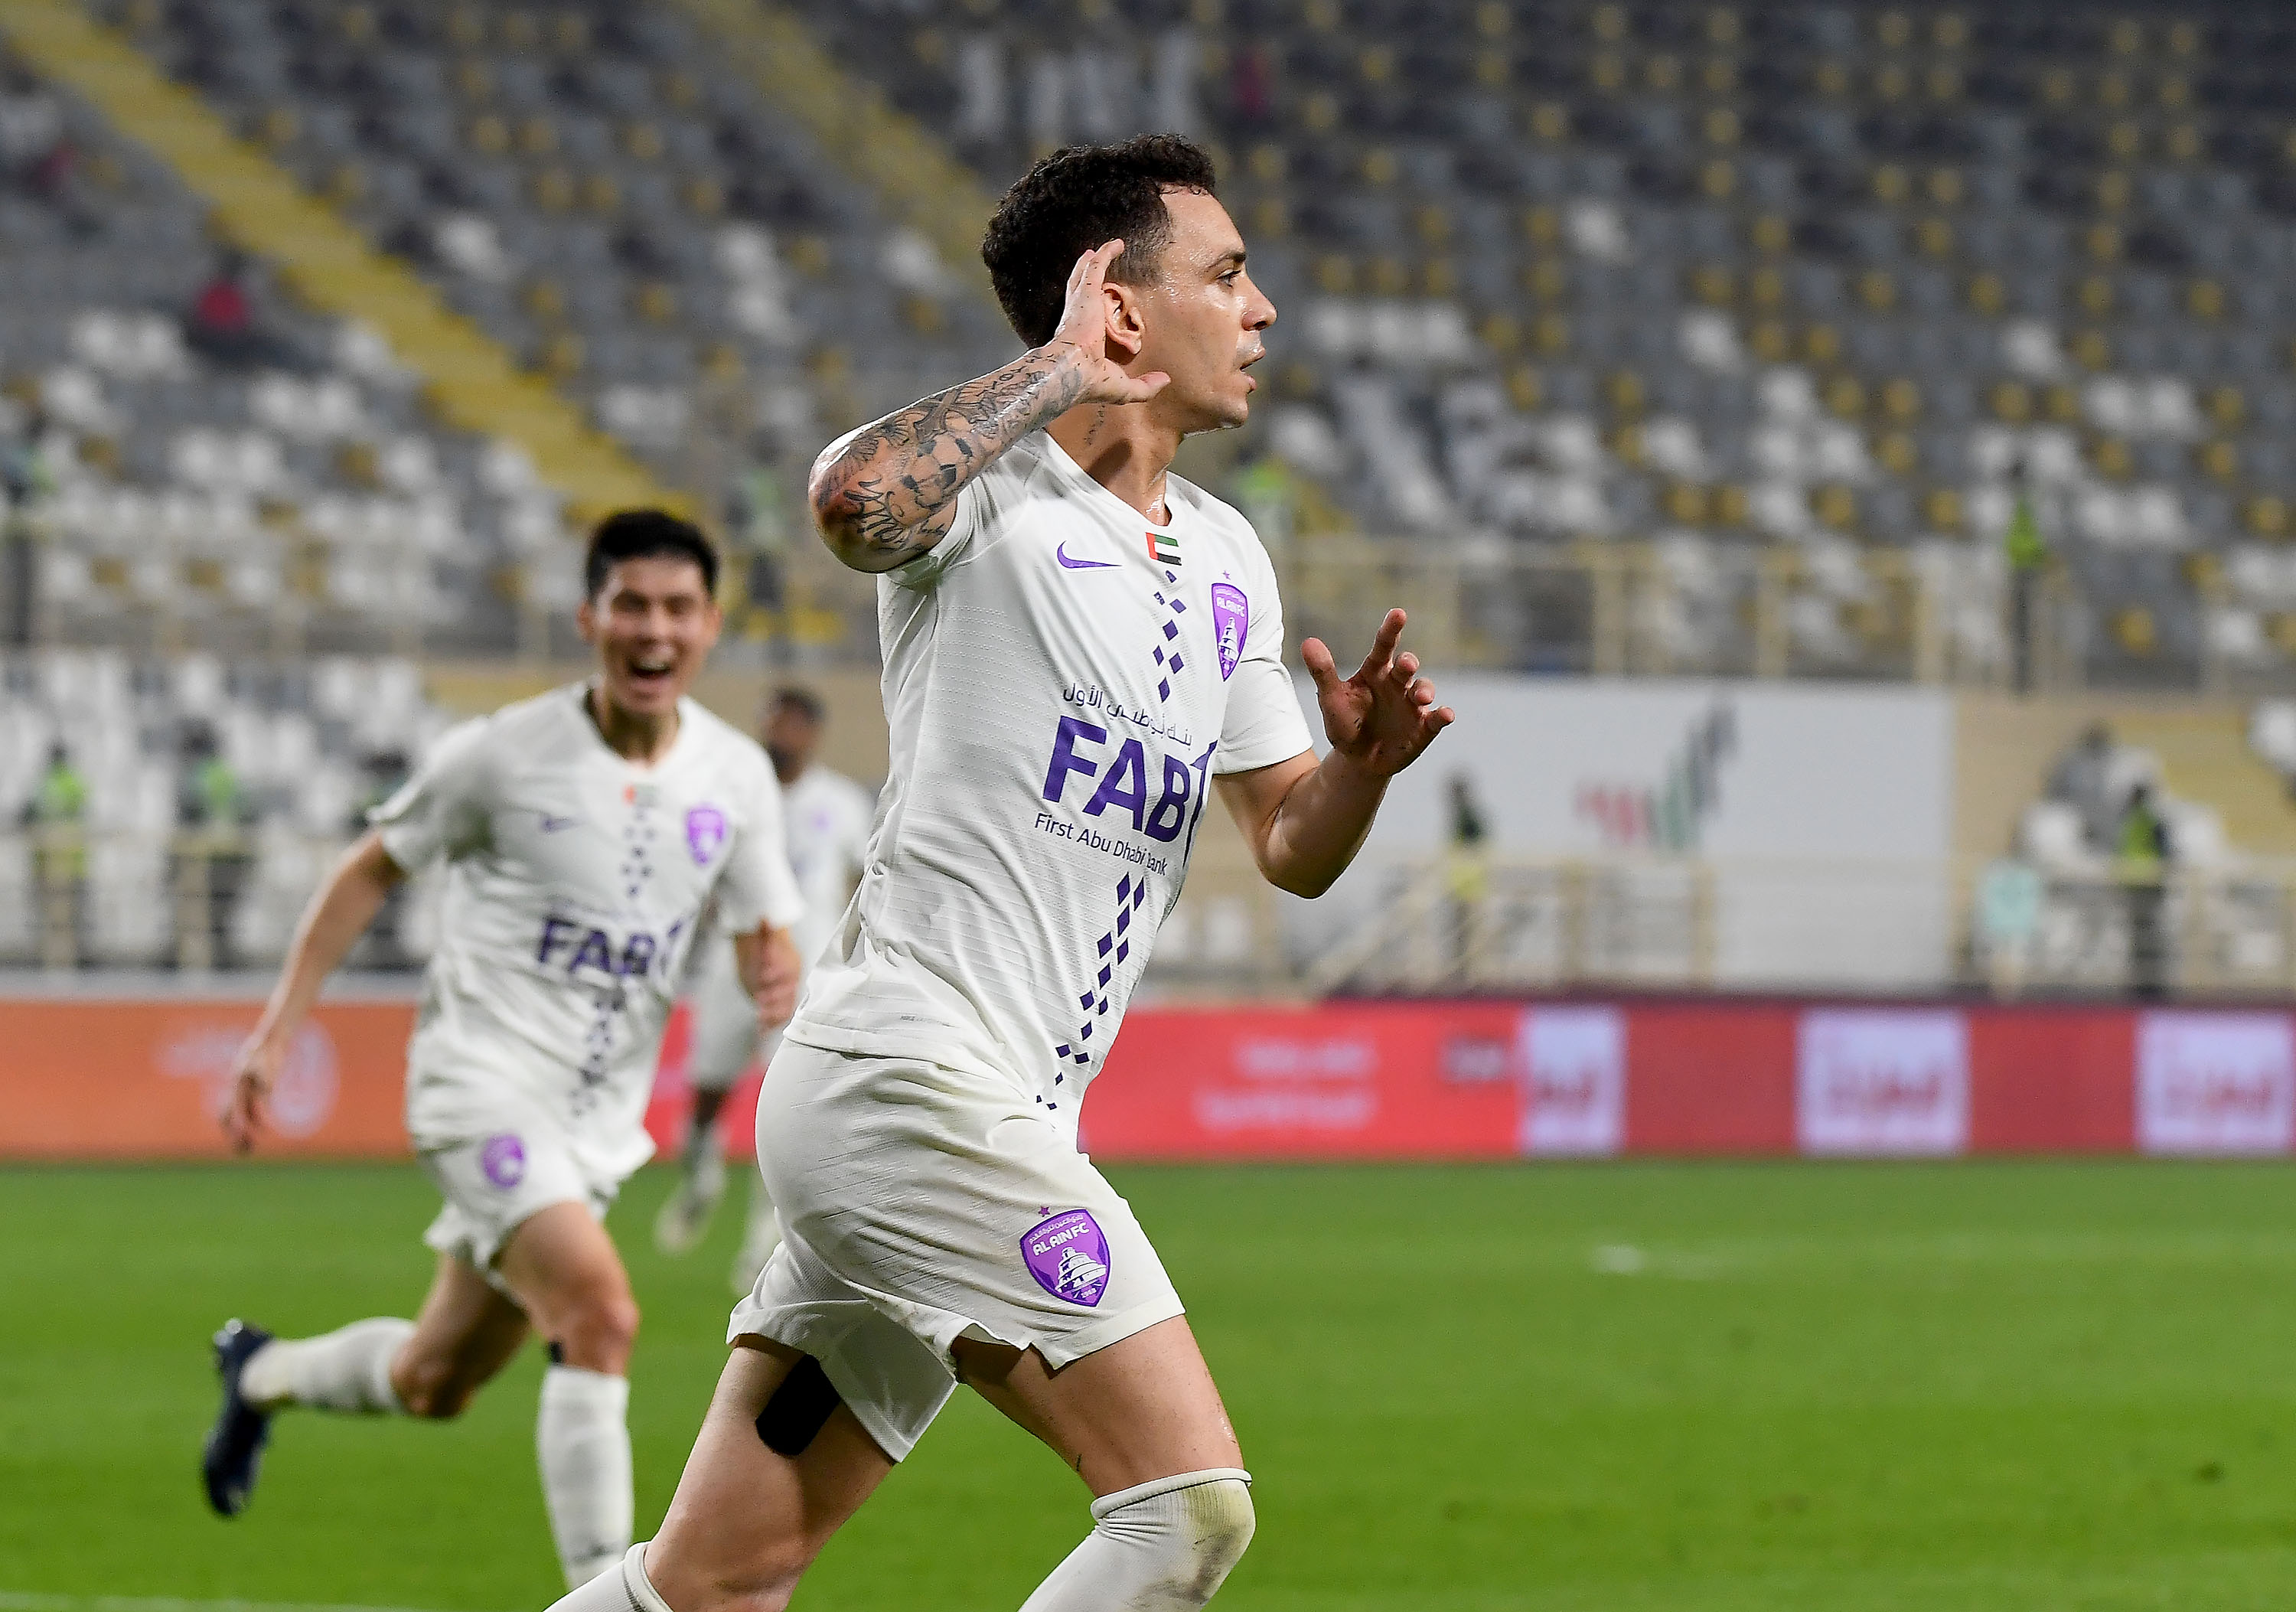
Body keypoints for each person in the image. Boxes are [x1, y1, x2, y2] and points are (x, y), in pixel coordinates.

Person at [539, 134, 1453, 1612]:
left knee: (713, 1582)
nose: (1263, 307)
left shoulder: (1229, 559)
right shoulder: (994, 496)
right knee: (1185, 1509)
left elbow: (1290, 845)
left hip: (967, 1115)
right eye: (1227, 273)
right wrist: (1060, 369)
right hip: (908, 1083)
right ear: (1124, 307)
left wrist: (1360, 771)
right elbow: (851, 503)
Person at [197, 511, 806, 1592]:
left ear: (711, 625)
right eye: (631, 605)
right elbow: (370, 868)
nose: (654, 630)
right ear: (589, 619)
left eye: (678, 608)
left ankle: (259, 1373)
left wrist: (773, 967)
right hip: (477, 1085)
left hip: (592, 1124)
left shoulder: (736, 775)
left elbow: (769, 932)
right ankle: (606, 1598)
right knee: (600, 1313)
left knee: (435, 1378)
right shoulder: (501, 755)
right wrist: (277, 1028)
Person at [655, 685, 875, 1294]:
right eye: (775, 723)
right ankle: (700, 1178)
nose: (783, 735)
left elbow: (865, 882)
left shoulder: (841, 804)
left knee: (783, 1109)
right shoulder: (734, 797)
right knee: (706, 1096)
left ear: (814, 733)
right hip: (733, 968)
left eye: (795, 724)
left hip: (807, 980)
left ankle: (763, 1243)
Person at [2115, 779, 2173, 1000]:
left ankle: (2149, 984)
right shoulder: (2144, 819)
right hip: (2142, 884)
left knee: (2146, 937)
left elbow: (2160, 850)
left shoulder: (2139, 820)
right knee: (2145, 936)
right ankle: (2146, 983)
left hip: (2143, 884)